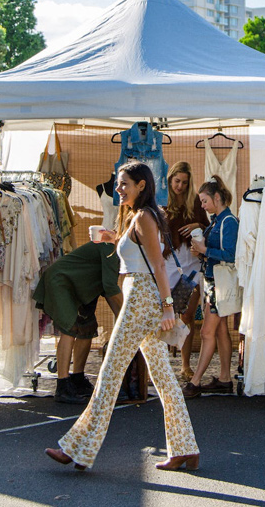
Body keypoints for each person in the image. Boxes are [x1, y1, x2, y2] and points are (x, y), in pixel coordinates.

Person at [46, 162, 199, 472]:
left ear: (141, 185)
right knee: (164, 378)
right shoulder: (141, 216)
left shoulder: (143, 217)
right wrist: (113, 239)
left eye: (124, 183)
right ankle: (186, 448)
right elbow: (145, 257)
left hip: (140, 299)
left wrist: (168, 308)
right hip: (141, 297)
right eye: (119, 184)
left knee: (110, 374)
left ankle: (78, 449)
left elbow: (157, 266)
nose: (118, 188)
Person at [33, 238, 125, 404]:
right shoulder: (111, 247)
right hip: (62, 281)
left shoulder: (118, 249)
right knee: (70, 328)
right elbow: (111, 288)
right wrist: (126, 316)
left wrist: (123, 319)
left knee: (87, 329)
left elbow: (107, 288)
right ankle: (62, 385)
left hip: (81, 288)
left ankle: (77, 378)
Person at [182, 174, 238, 398]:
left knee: (207, 332)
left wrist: (205, 252)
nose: (202, 206)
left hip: (219, 283)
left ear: (217, 197)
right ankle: (225, 379)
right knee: (221, 329)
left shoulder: (228, 222)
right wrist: (201, 251)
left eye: (205, 201)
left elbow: (232, 255)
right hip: (214, 281)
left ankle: (195, 382)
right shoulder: (218, 221)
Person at [164, 161, 206, 379]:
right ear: (170, 179)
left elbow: (208, 225)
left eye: (184, 182)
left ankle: (185, 365)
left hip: (191, 262)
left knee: (187, 315)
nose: (179, 186)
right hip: (168, 263)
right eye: (177, 181)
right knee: (164, 314)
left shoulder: (196, 203)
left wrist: (198, 226)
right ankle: (160, 363)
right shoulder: (161, 202)